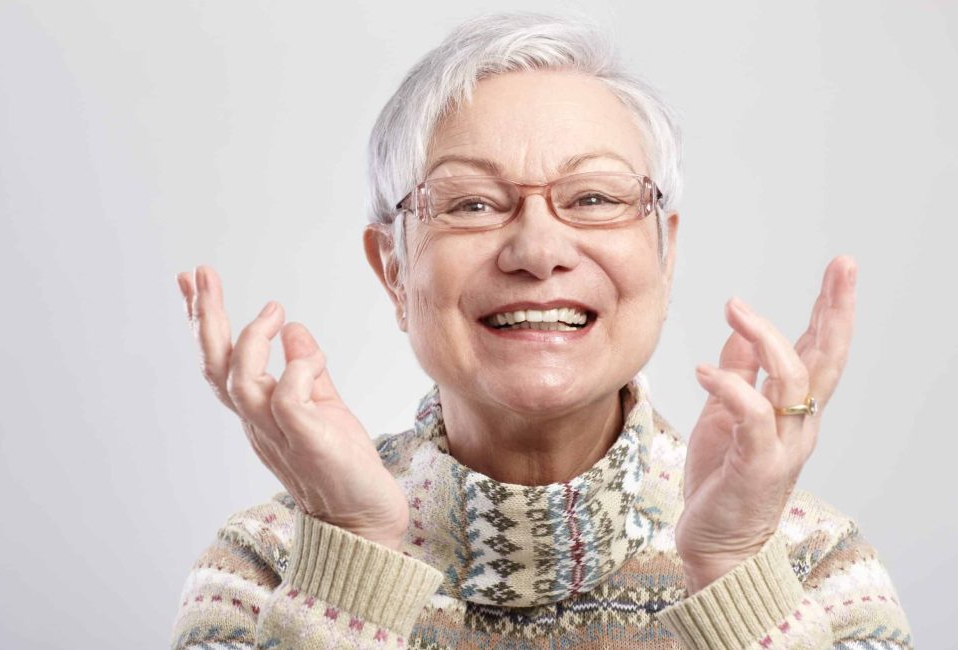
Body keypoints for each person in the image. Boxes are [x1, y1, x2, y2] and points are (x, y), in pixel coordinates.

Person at [169, 11, 912, 649]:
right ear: (393, 268)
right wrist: (354, 550)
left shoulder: (812, 559)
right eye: (471, 204)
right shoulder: (267, 562)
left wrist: (736, 565)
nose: (538, 251)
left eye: (592, 197)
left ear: (665, 248)